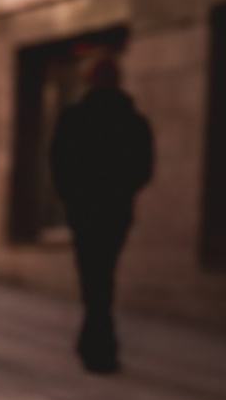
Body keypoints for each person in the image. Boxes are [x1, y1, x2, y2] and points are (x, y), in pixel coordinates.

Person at [50, 51, 155, 375]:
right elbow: (143, 167)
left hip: (85, 206)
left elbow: (58, 162)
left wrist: (71, 195)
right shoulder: (133, 120)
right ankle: (98, 340)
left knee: (91, 273)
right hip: (115, 206)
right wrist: (122, 190)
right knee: (104, 270)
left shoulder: (75, 117)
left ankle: (96, 340)